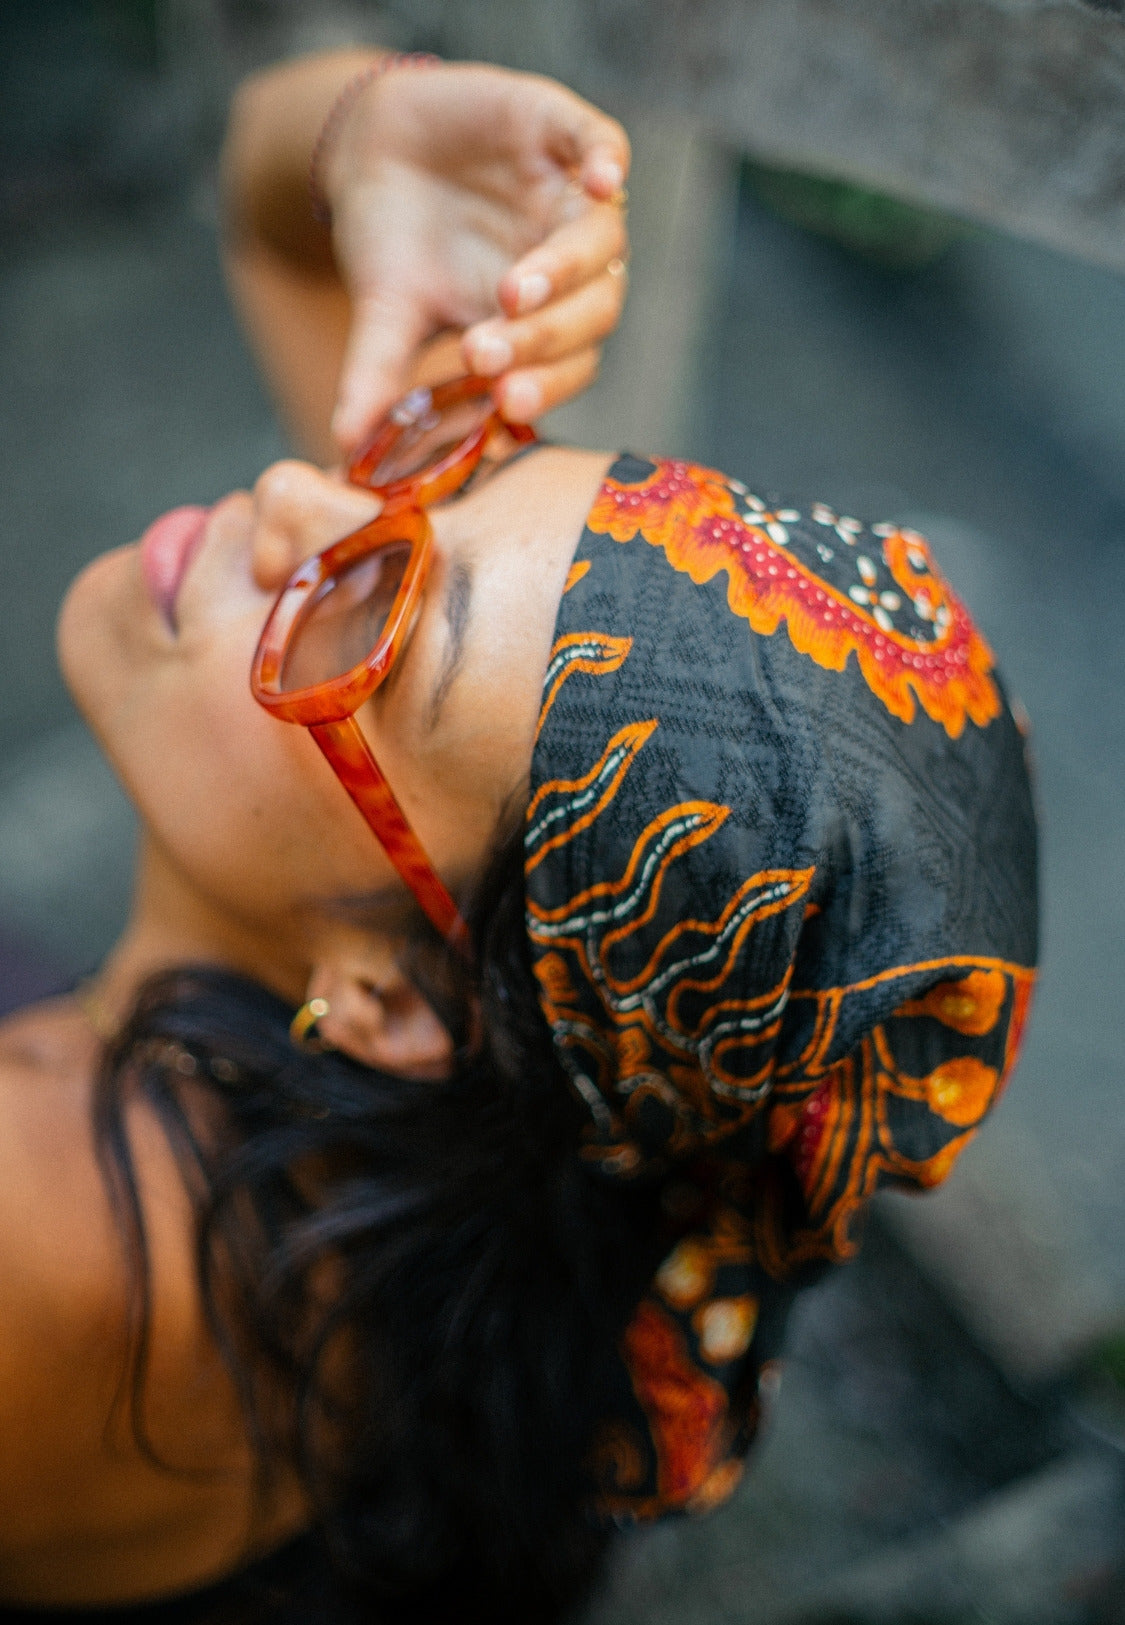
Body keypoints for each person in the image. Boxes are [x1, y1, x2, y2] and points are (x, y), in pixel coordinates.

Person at [0, 48, 1036, 1625]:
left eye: (384, 617)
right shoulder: (442, 1171)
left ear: (397, 999)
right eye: (434, 471)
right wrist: (368, 131)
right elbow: (285, 226)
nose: (291, 498)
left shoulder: (56, 1252)